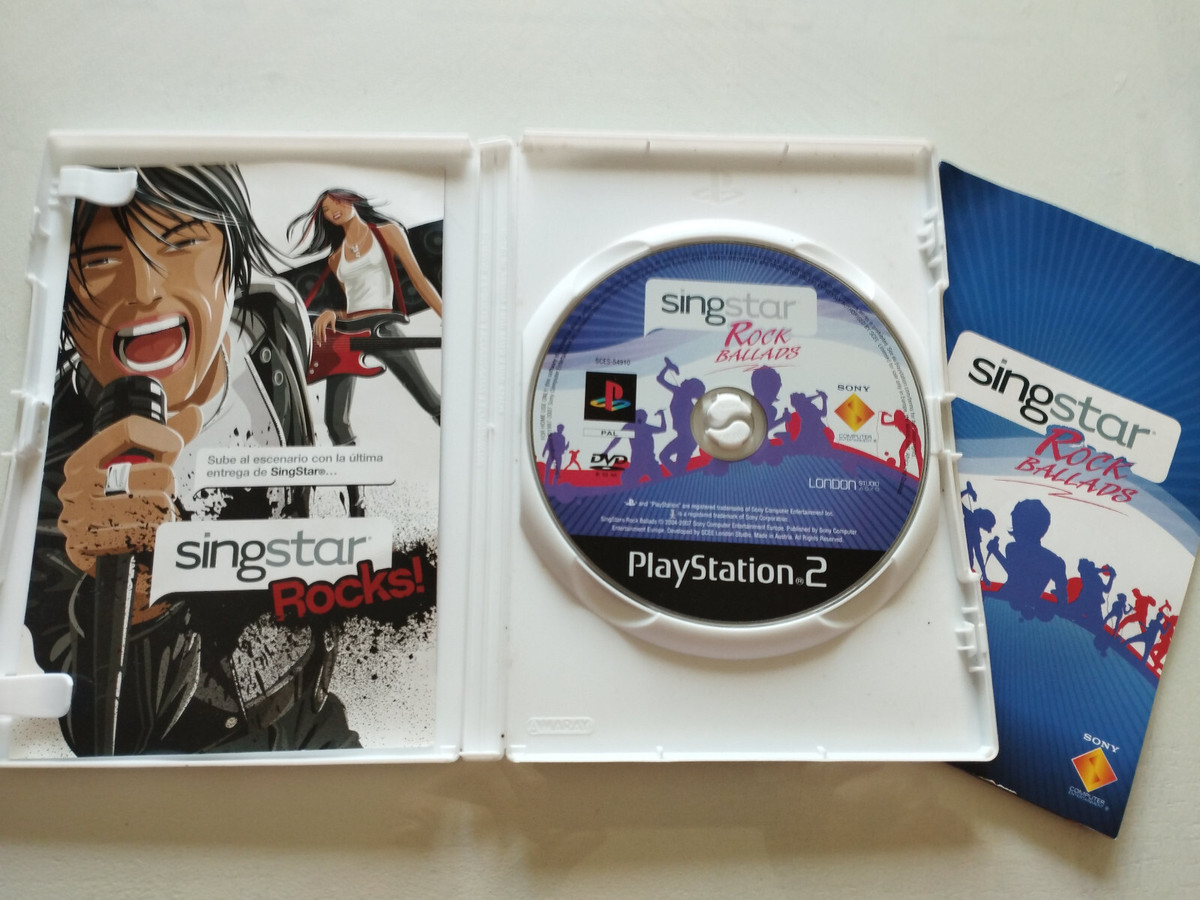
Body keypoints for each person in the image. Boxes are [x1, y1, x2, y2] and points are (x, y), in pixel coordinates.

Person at [25, 165, 358, 755]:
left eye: (180, 243)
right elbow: (104, 737)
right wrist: (135, 596)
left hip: (312, 712)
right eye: (100, 262)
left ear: (232, 252)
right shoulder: (56, 473)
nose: (144, 290)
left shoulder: (268, 322)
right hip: (199, 766)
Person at [289, 190, 442, 515]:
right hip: (348, 334)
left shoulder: (387, 232)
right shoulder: (336, 258)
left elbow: (419, 279)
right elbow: (353, 304)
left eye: (338, 202)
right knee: (335, 422)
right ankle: (357, 505)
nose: (334, 211)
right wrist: (332, 313)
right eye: (327, 210)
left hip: (383, 328)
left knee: (432, 402)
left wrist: (449, 318)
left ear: (352, 200)